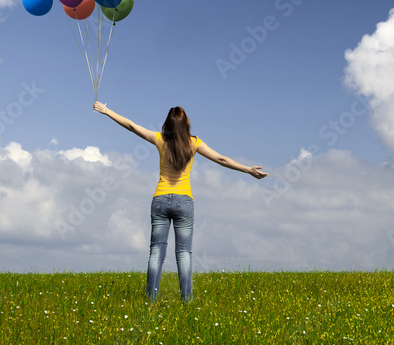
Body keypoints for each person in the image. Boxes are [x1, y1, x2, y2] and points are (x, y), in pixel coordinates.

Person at [93, 101, 267, 302]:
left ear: (167, 123)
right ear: (186, 124)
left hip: (159, 200)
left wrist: (106, 111)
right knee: (184, 253)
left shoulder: (160, 139)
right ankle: (187, 301)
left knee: (156, 252)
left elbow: (132, 126)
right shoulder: (194, 143)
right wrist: (248, 170)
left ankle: (151, 301)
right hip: (184, 202)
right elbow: (221, 159)